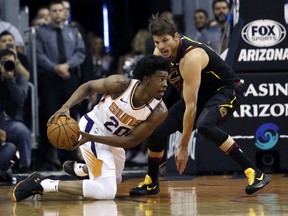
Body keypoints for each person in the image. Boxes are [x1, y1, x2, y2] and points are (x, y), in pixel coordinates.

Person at [128, 13, 271, 197]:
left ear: (176, 37)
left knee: (204, 125)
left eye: (165, 41)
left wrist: (183, 146)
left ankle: (255, 173)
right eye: (157, 42)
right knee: (156, 131)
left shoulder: (191, 57)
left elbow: (191, 107)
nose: (161, 47)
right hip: (202, 94)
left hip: (226, 90)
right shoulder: (159, 55)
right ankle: (151, 183)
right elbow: (156, 88)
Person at [12, 55, 170, 202]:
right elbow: (88, 87)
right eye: (160, 79)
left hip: (110, 140)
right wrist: (66, 106)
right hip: (92, 128)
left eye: (166, 80)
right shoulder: (121, 84)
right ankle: (43, 184)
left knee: (115, 181)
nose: (165, 84)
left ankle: (82, 169)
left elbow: (131, 140)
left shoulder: (159, 111)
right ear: (146, 79)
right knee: (107, 191)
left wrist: (93, 139)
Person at [36, 0, 86, 171]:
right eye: (54, 11)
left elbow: (80, 52)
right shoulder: (41, 32)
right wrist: (55, 67)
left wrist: (67, 65)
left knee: (71, 115)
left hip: (69, 76)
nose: (58, 13)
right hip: (50, 78)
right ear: (49, 13)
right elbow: (38, 54)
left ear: (65, 12)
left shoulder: (73, 31)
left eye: (60, 10)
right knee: (50, 115)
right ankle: (49, 157)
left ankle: (70, 156)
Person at [0, 49, 32, 173]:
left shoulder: (21, 78)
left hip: (12, 121)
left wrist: (10, 79)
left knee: (23, 131)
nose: (8, 64)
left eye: (11, 62)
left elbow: (20, 99)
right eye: (4, 62)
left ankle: (25, 166)